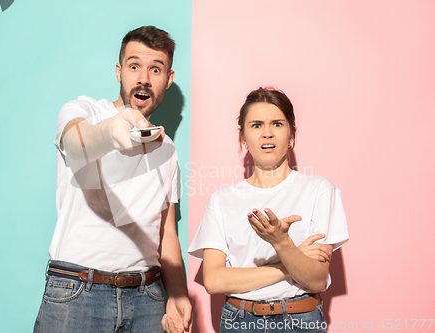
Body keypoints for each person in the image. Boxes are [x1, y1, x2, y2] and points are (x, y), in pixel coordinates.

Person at [34, 26, 192, 333]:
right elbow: (76, 141)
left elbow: (166, 232)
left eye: (155, 69)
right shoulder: (84, 111)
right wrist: (110, 133)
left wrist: (178, 293)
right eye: (134, 66)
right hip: (78, 290)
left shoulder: (167, 148)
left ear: (168, 79)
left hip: (147, 297)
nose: (143, 78)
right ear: (119, 72)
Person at [188, 87, 348, 332]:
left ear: (291, 134)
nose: (267, 134)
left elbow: (315, 278)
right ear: (243, 138)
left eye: (277, 124)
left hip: (300, 320)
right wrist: (289, 265)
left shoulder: (319, 190)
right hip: (239, 321)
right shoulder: (222, 200)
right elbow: (214, 280)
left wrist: (280, 242)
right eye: (256, 125)